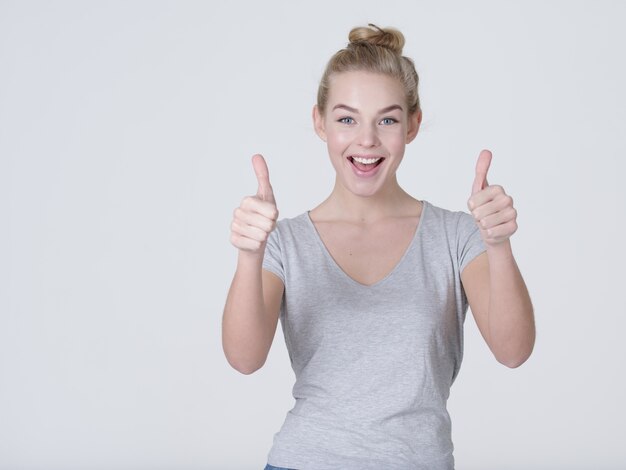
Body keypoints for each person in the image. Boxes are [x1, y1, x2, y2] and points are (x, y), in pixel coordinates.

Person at [222, 24, 535, 470]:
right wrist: (249, 256)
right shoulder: (284, 241)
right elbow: (244, 359)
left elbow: (514, 351)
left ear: (413, 125)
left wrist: (499, 246)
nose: (366, 139)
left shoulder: (457, 235)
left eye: (387, 119)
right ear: (319, 122)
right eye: (346, 119)